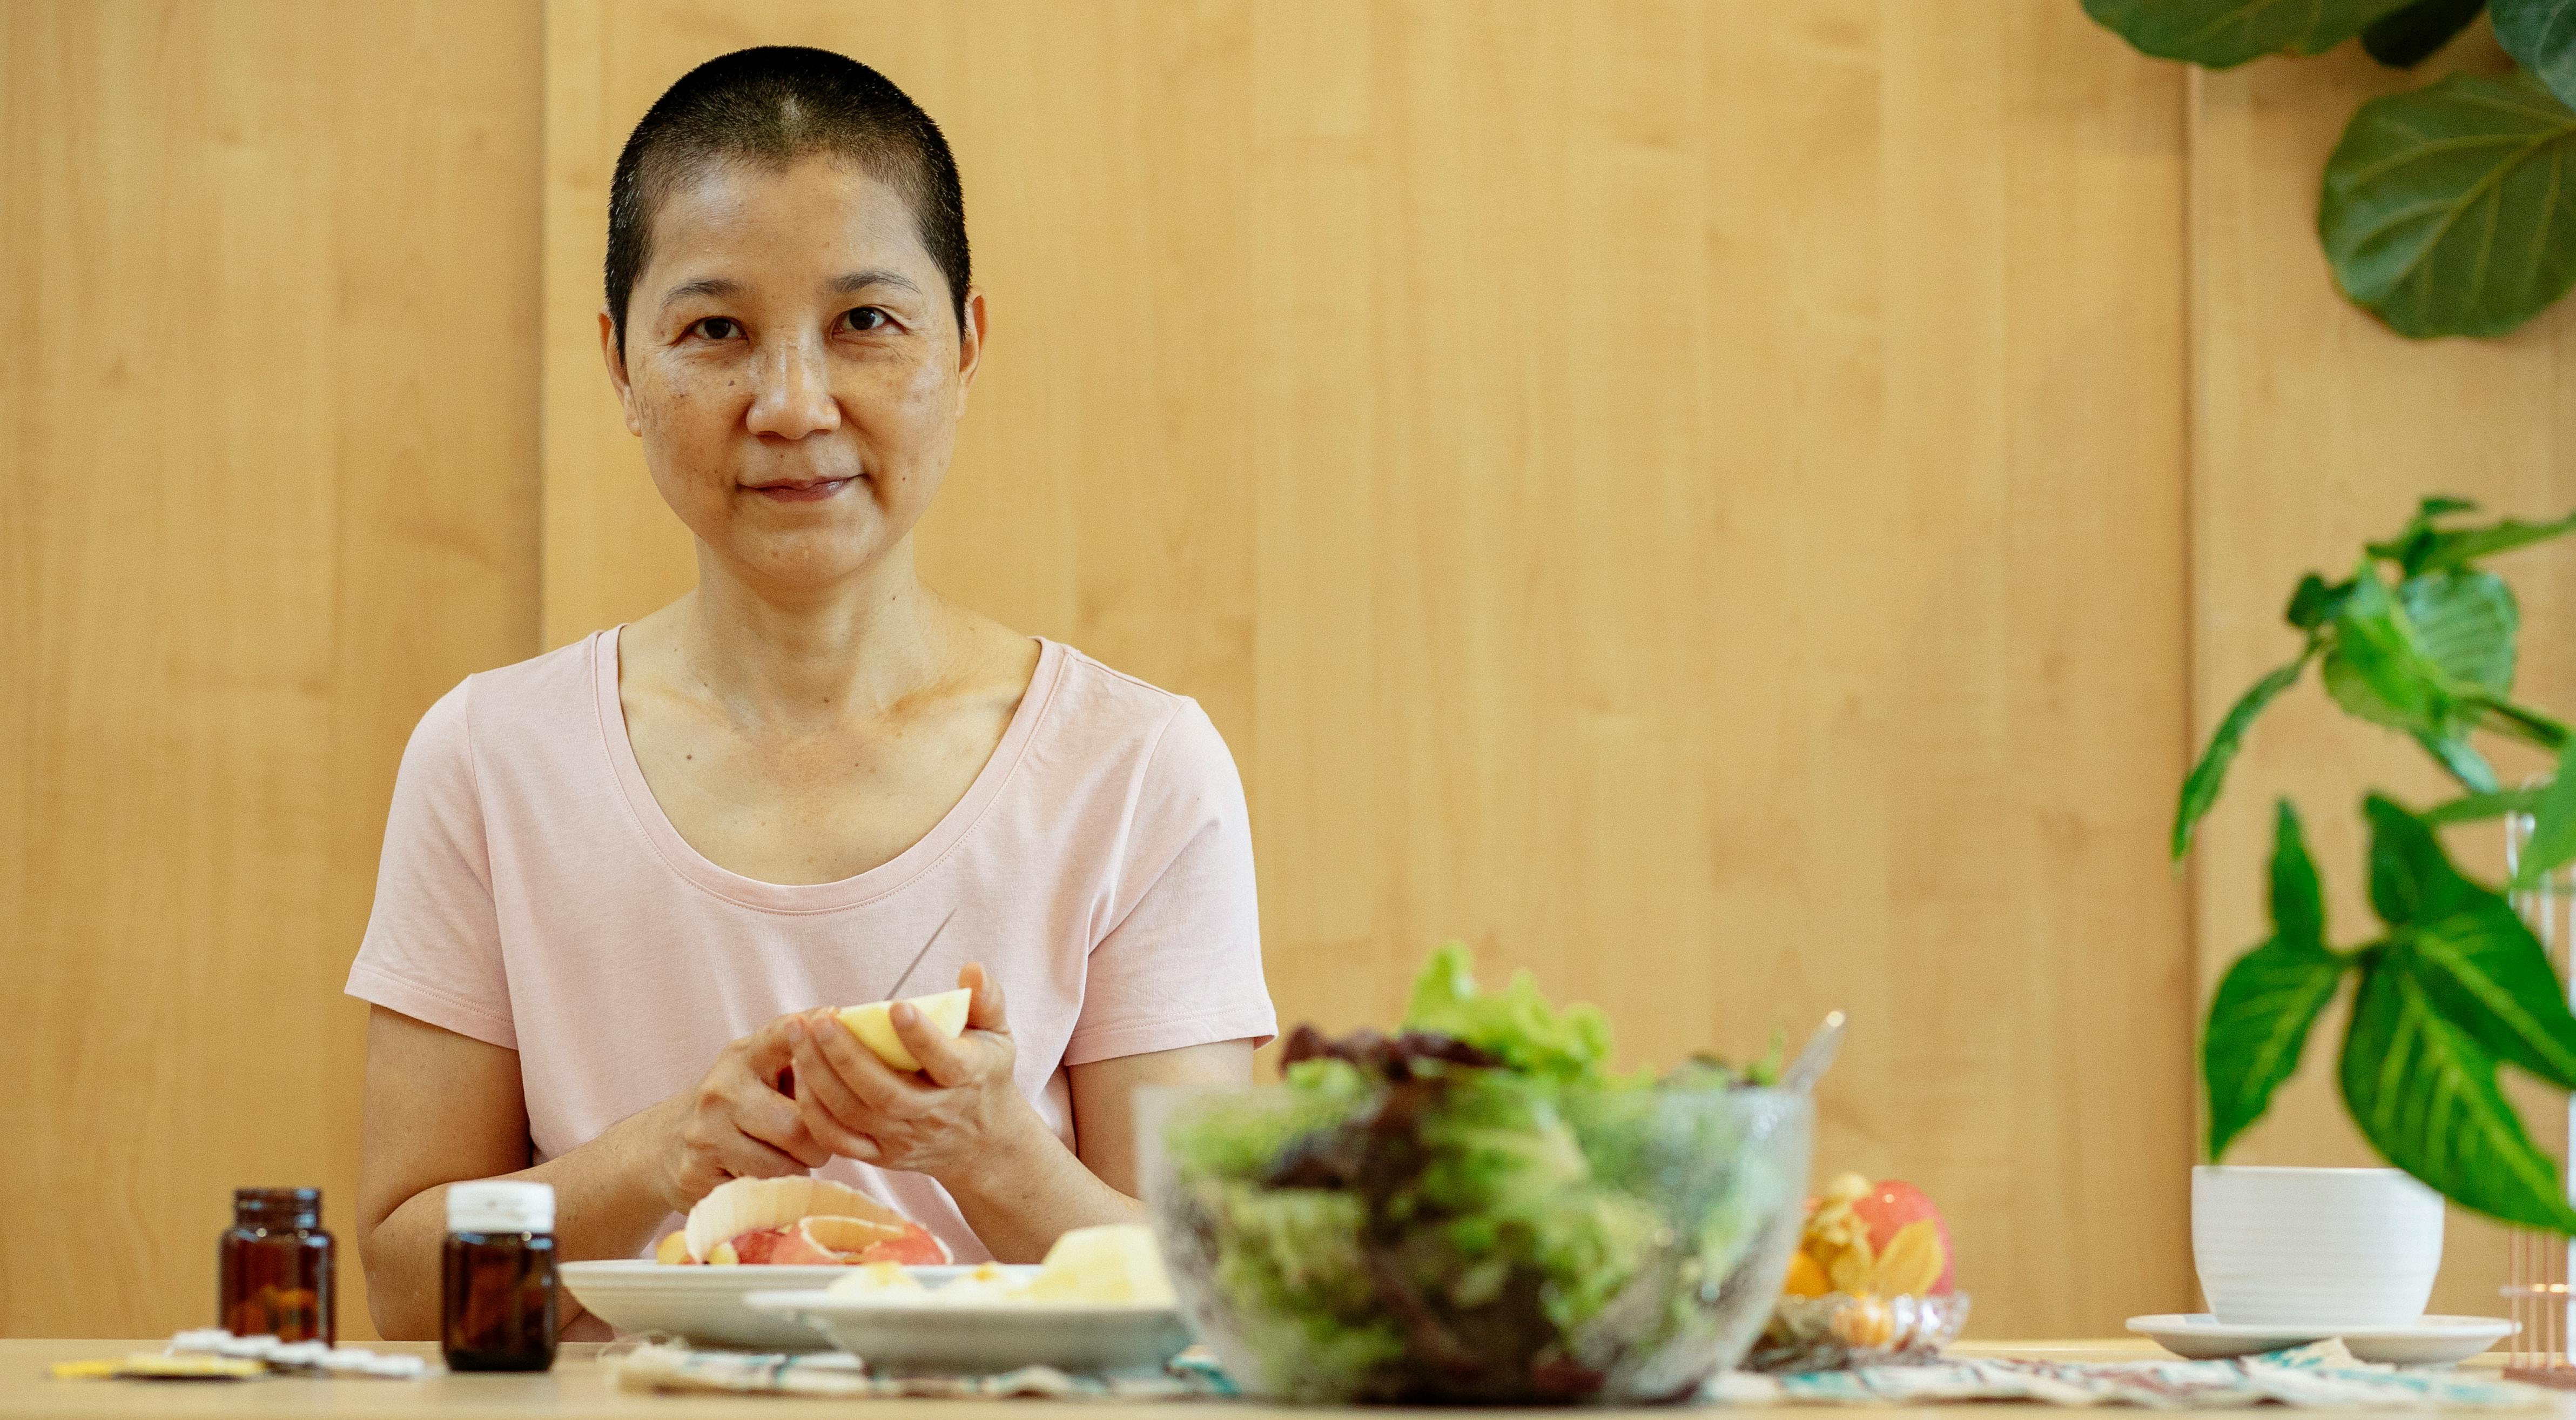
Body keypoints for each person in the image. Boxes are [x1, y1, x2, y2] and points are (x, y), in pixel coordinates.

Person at [345, 45, 1274, 1339]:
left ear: (964, 346)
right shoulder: (491, 757)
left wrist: (988, 1149)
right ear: (621, 365)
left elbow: (1227, 1296)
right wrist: (671, 1150)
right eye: (716, 331)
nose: (792, 405)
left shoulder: (1136, 766)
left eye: (866, 323)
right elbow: (401, 1280)